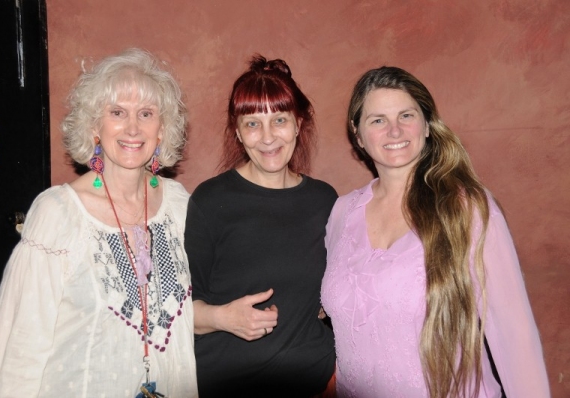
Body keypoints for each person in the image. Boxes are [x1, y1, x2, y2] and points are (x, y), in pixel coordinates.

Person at [321, 66, 550, 398]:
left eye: (406, 115)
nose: (394, 130)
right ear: (357, 134)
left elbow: (515, 334)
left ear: (427, 125)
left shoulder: (467, 207)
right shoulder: (343, 211)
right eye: (378, 120)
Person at [0, 48, 198, 397]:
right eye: (117, 112)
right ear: (94, 125)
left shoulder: (178, 205)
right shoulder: (59, 213)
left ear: (162, 130)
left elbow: (184, 313)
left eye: (146, 113)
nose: (132, 128)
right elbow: (20, 343)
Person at [184, 55, 336, 397]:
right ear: (238, 132)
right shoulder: (211, 201)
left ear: (298, 123)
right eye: (253, 123)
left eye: (279, 120)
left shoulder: (325, 201)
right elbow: (178, 312)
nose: (268, 137)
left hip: (315, 382)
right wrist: (225, 318)